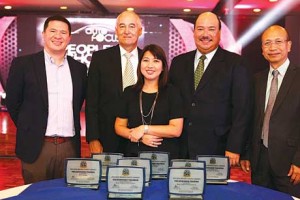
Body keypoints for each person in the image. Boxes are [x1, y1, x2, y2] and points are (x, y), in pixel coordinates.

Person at [6, 15, 87, 184]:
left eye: (63, 32)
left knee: (65, 195)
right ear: (43, 34)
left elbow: (77, 103)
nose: (58, 36)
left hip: (69, 148)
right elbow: (13, 103)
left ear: (69, 37)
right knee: (35, 195)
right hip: (37, 147)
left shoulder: (79, 69)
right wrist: (29, 127)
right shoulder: (23, 64)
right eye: (53, 31)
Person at [169, 12, 252, 165]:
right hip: (181, 146)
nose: (205, 34)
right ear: (193, 32)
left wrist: (235, 146)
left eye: (211, 29)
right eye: (200, 29)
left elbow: (242, 109)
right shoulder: (178, 63)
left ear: (219, 33)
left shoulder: (235, 63)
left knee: (214, 189)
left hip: (218, 147)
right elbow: (170, 103)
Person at [240, 25, 300, 198]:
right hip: (259, 161)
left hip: (290, 164)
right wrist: (246, 153)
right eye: (267, 43)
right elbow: (251, 119)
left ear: (289, 45)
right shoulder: (256, 79)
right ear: (262, 50)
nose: (273, 48)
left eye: (278, 42)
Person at [85, 11, 143, 154]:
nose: (127, 31)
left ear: (140, 31)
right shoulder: (100, 59)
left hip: (142, 137)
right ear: (116, 31)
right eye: (122, 26)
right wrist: (93, 138)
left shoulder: (148, 60)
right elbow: (92, 102)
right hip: (107, 138)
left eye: (132, 26)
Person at [114, 44, 183, 159]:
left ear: (163, 67)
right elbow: (119, 127)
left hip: (165, 159)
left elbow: (176, 130)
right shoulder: (129, 92)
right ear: (140, 64)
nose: (150, 65)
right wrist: (140, 137)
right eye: (146, 60)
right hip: (134, 158)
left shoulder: (172, 92)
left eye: (156, 61)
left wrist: (144, 129)